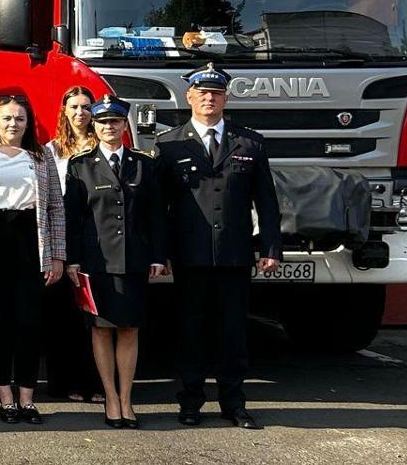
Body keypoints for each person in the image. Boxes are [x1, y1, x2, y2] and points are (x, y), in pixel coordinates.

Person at [158, 63, 282, 430]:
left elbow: (267, 202)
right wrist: (160, 253)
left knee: (233, 334)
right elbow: (158, 207)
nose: (209, 98)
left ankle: (234, 404)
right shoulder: (168, 144)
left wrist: (270, 249)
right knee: (190, 332)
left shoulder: (250, 143)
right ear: (189, 96)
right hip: (190, 256)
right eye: (202, 92)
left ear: (226, 98)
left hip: (234, 254)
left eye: (216, 93)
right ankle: (191, 402)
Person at [64, 94, 167, 430]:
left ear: (125, 125)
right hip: (96, 263)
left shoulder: (143, 164)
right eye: (103, 121)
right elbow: (73, 218)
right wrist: (73, 260)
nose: (109, 127)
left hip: (135, 260)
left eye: (115, 121)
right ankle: (110, 397)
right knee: (100, 329)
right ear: (94, 125)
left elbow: (156, 215)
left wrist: (157, 255)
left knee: (129, 328)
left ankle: (127, 398)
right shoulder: (80, 166)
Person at [0, 95, 66, 425]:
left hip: (30, 244)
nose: (12, 124)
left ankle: (27, 398)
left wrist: (58, 256)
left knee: (29, 325)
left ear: (28, 122)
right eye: (6, 118)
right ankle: (5, 398)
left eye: (19, 118)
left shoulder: (41, 155)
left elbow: (55, 208)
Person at [47, 86, 104, 405]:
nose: (80, 113)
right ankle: (64, 382)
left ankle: (95, 382)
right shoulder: (52, 150)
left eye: (85, 107)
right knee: (64, 318)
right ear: (64, 111)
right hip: (61, 239)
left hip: (96, 239)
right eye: (74, 107)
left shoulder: (102, 146)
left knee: (94, 317)